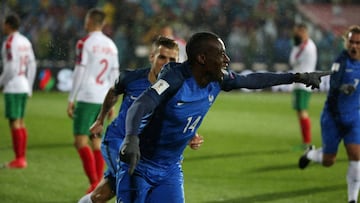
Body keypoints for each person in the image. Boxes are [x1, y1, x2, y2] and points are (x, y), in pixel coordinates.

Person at [117, 31, 330, 203]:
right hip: (140, 165)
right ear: (202, 58)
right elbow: (141, 104)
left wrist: (296, 77)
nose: (226, 60)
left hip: (171, 169)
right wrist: (131, 138)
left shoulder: (218, 79)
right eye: (220, 54)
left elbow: (253, 80)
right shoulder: (174, 78)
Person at [78, 36, 204, 203]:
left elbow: (179, 116)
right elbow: (113, 92)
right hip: (118, 140)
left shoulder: (178, 88)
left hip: (144, 149)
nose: (166, 63)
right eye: (162, 57)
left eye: (172, 59)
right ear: (152, 57)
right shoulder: (132, 78)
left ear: (178, 61)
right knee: (135, 185)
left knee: (102, 195)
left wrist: (190, 134)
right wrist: (101, 119)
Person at [298, 25, 360, 203]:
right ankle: (310, 154)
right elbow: (333, 84)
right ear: (346, 43)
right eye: (351, 42)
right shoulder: (340, 61)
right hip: (333, 117)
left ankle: (352, 199)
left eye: (358, 43)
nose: (354, 46)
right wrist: (342, 88)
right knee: (328, 161)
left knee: (356, 156)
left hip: (354, 117)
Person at [67, 8, 119, 194]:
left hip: (87, 96)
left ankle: (94, 183)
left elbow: (80, 70)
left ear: (89, 21)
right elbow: (115, 75)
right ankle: (98, 183)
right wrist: (112, 102)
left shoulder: (85, 42)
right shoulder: (111, 46)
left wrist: (71, 98)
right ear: (103, 23)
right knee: (95, 140)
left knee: (80, 141)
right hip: (103, 96)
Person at [0, 13, 37, 169]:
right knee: (20, 122)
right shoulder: (25, 41)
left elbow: (11, 67)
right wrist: (29, 85)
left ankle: (19, 159)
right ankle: (21, 158)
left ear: (8, 25)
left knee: (14, 123)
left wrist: (1, 82)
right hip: (23, 85)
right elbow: (33, 64)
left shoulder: (9, 42)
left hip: (13, 86)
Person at [289, 23, 318, 148]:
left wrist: (296, 46)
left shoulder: (305, 46)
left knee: (302, 111)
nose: (296, 34)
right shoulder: (306, 45)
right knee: (300, 111)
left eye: (298, 32)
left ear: (303, 32)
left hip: (303, 83)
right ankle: (305, 142)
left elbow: (293, 60)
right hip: (302, 82)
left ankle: (307, 143)